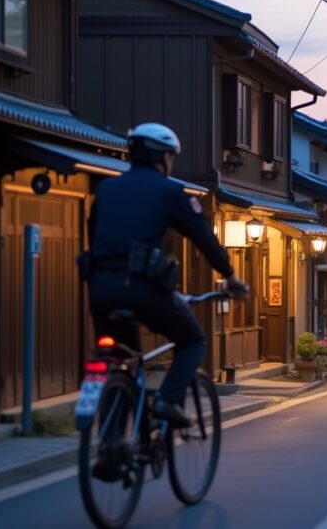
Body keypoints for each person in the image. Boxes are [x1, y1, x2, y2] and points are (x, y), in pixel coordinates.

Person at [84, 123, 249, 428]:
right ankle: (167, 400)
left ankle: (113, 443)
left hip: (100, 289)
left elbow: (93, 236)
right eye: (172, 156)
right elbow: (203, 237)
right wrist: (231, 276)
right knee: (193, 340)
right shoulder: (171, 192)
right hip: (142, 287)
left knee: (120, 359)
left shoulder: (106, 189)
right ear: (163, 157)